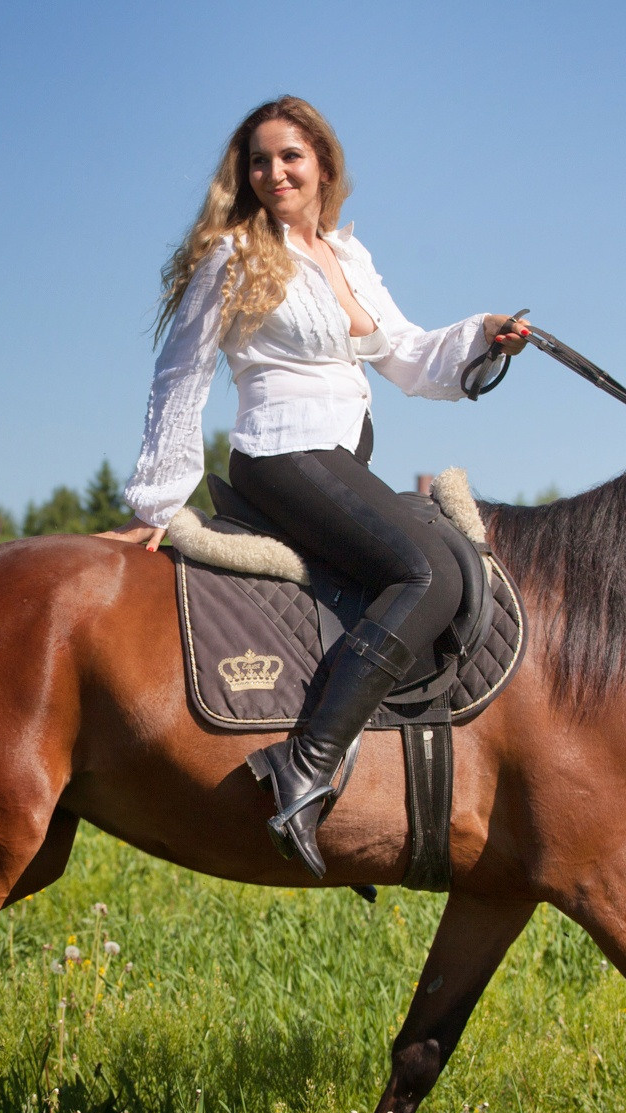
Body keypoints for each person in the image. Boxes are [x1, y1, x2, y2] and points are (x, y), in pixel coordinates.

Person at [98, 95, 527, 877]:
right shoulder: (234, 255)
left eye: (289, 156)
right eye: (259, 160)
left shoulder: (348, 258)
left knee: (459, 566)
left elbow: (406, 354)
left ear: (322, 162)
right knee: (424, 571)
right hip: (281, 453)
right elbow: (181, 374)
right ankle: (305, 764)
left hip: (342, 462)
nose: (274, 173)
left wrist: (484, 332)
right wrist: (157, 503)